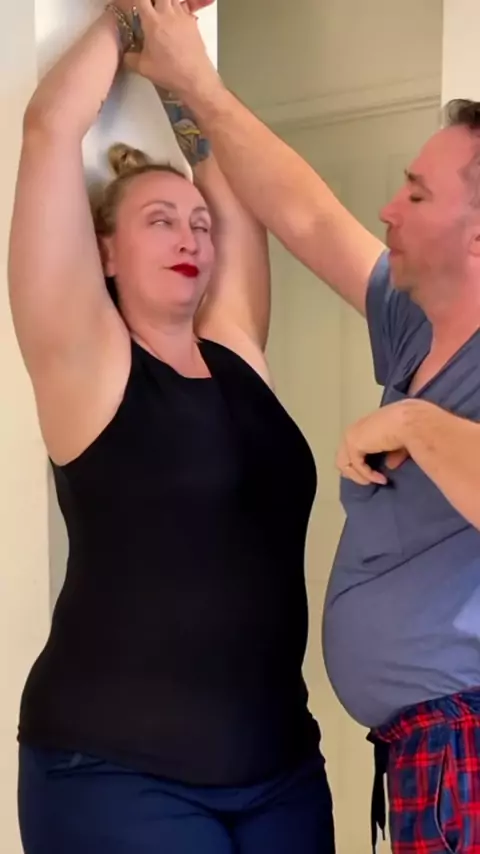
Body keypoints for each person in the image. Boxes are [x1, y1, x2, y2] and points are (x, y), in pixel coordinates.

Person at [125, 1, 480, 852]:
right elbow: (307, 214)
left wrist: (414, 421)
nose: (389, 207)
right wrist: (188, 82)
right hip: (428, 752)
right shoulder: (415, 323)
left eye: (417, 192)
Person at [9, 4, 336, 853]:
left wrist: (184, 73)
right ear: (104, 253)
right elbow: (50, 130)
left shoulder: (237, 348)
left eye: (196, 226)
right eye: (158, 221)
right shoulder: (87, 361)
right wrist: (128, 16)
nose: (189, 235)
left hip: (282, 768)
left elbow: (228, 185)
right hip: (115, 768)